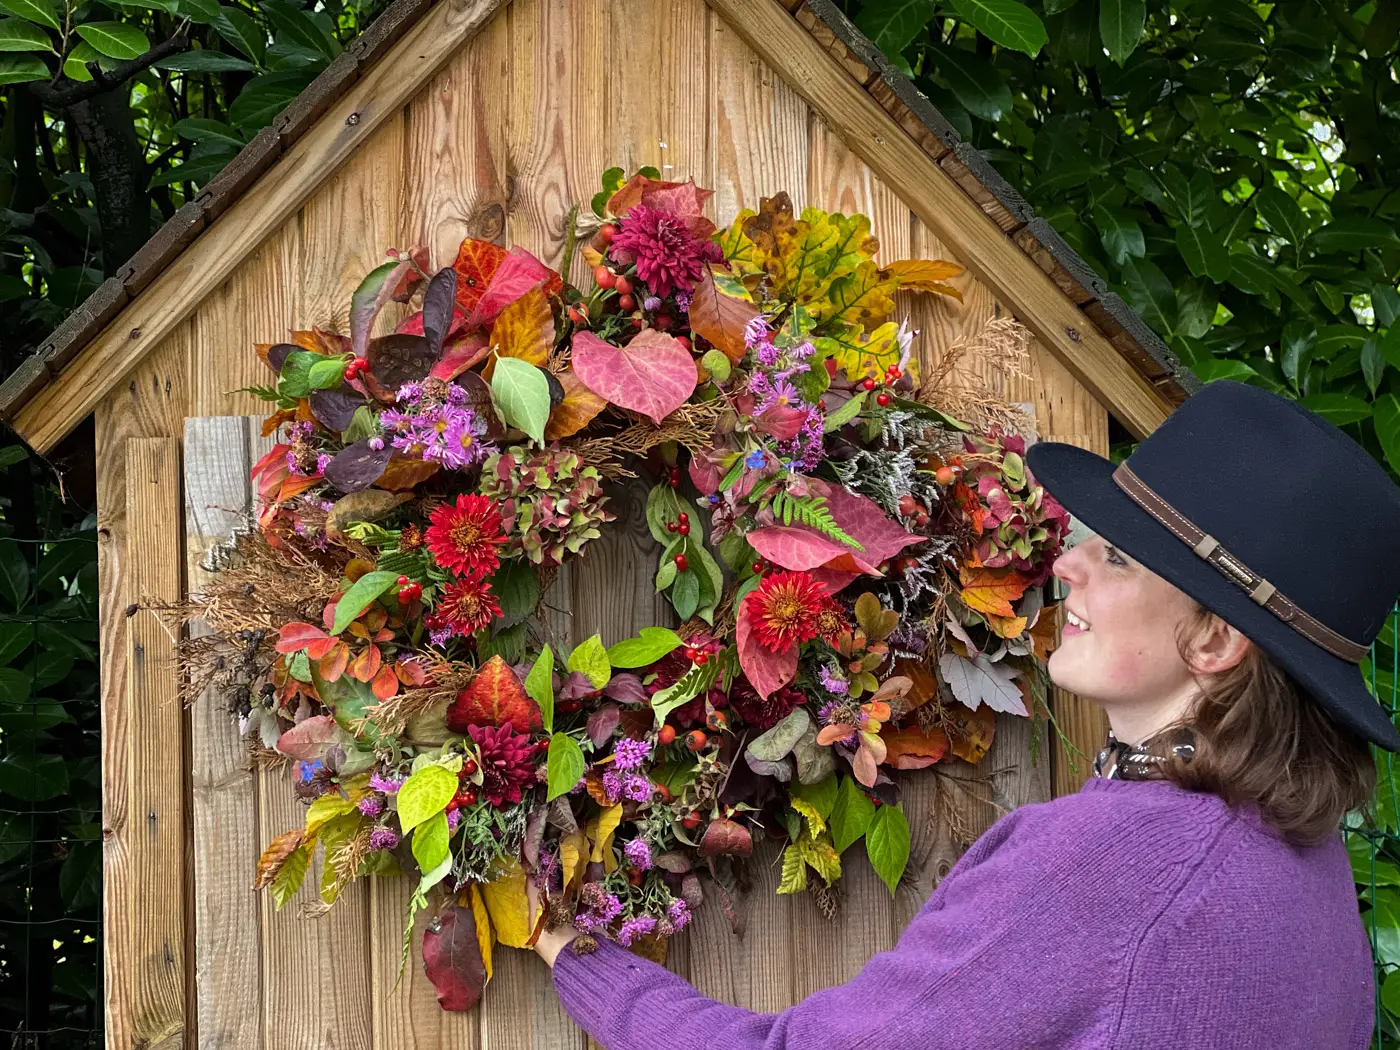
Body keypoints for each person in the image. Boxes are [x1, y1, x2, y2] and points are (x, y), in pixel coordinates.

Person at [528, 379, 1400, 1049]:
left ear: (1214, 642)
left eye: (1120, 558)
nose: (1068, 567)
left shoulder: (1107, 866)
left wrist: (583, 960)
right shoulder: (1312, 881)